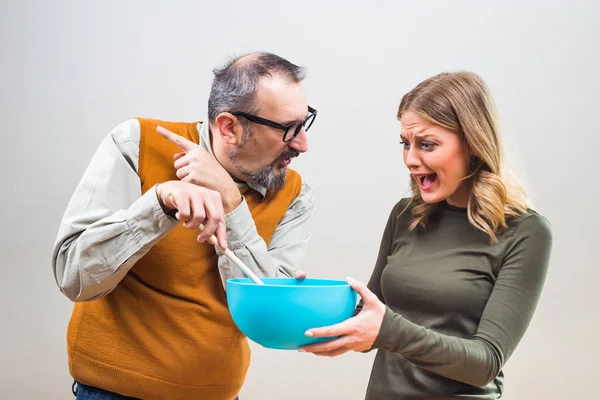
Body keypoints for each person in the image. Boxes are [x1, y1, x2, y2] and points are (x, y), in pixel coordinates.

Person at [52, 52, 317, 400]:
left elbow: (272, 317)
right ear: (229, 127)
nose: (302, 144)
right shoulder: (135, 143)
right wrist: (159, 203)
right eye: (288, 129)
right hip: (111, 393)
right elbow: (74, 277)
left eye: (305, 122)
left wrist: (232, 205)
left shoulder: (295, 195)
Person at [301, 71, 552, 399]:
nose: (410, 159)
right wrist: (302, 302)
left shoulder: (525, 233)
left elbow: (485, 363)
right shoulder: (405, 215)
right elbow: (368, 319)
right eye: (405, 143)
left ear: (473, 144)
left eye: (427, 144)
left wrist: (389, 331)